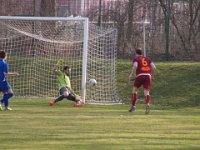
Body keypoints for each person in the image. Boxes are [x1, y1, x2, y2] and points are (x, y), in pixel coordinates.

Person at [128, 48, 156, 114]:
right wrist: (151, 75)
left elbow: (135, 66)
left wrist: (132, 75)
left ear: (136, 53)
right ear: (141, 53)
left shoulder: (136, 59)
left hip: (140, 75)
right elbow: (154, 67)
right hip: (148, 76)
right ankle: (148, 104)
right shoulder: (147, 58)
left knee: (134, 90)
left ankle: (133, 106)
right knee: (146, 92)